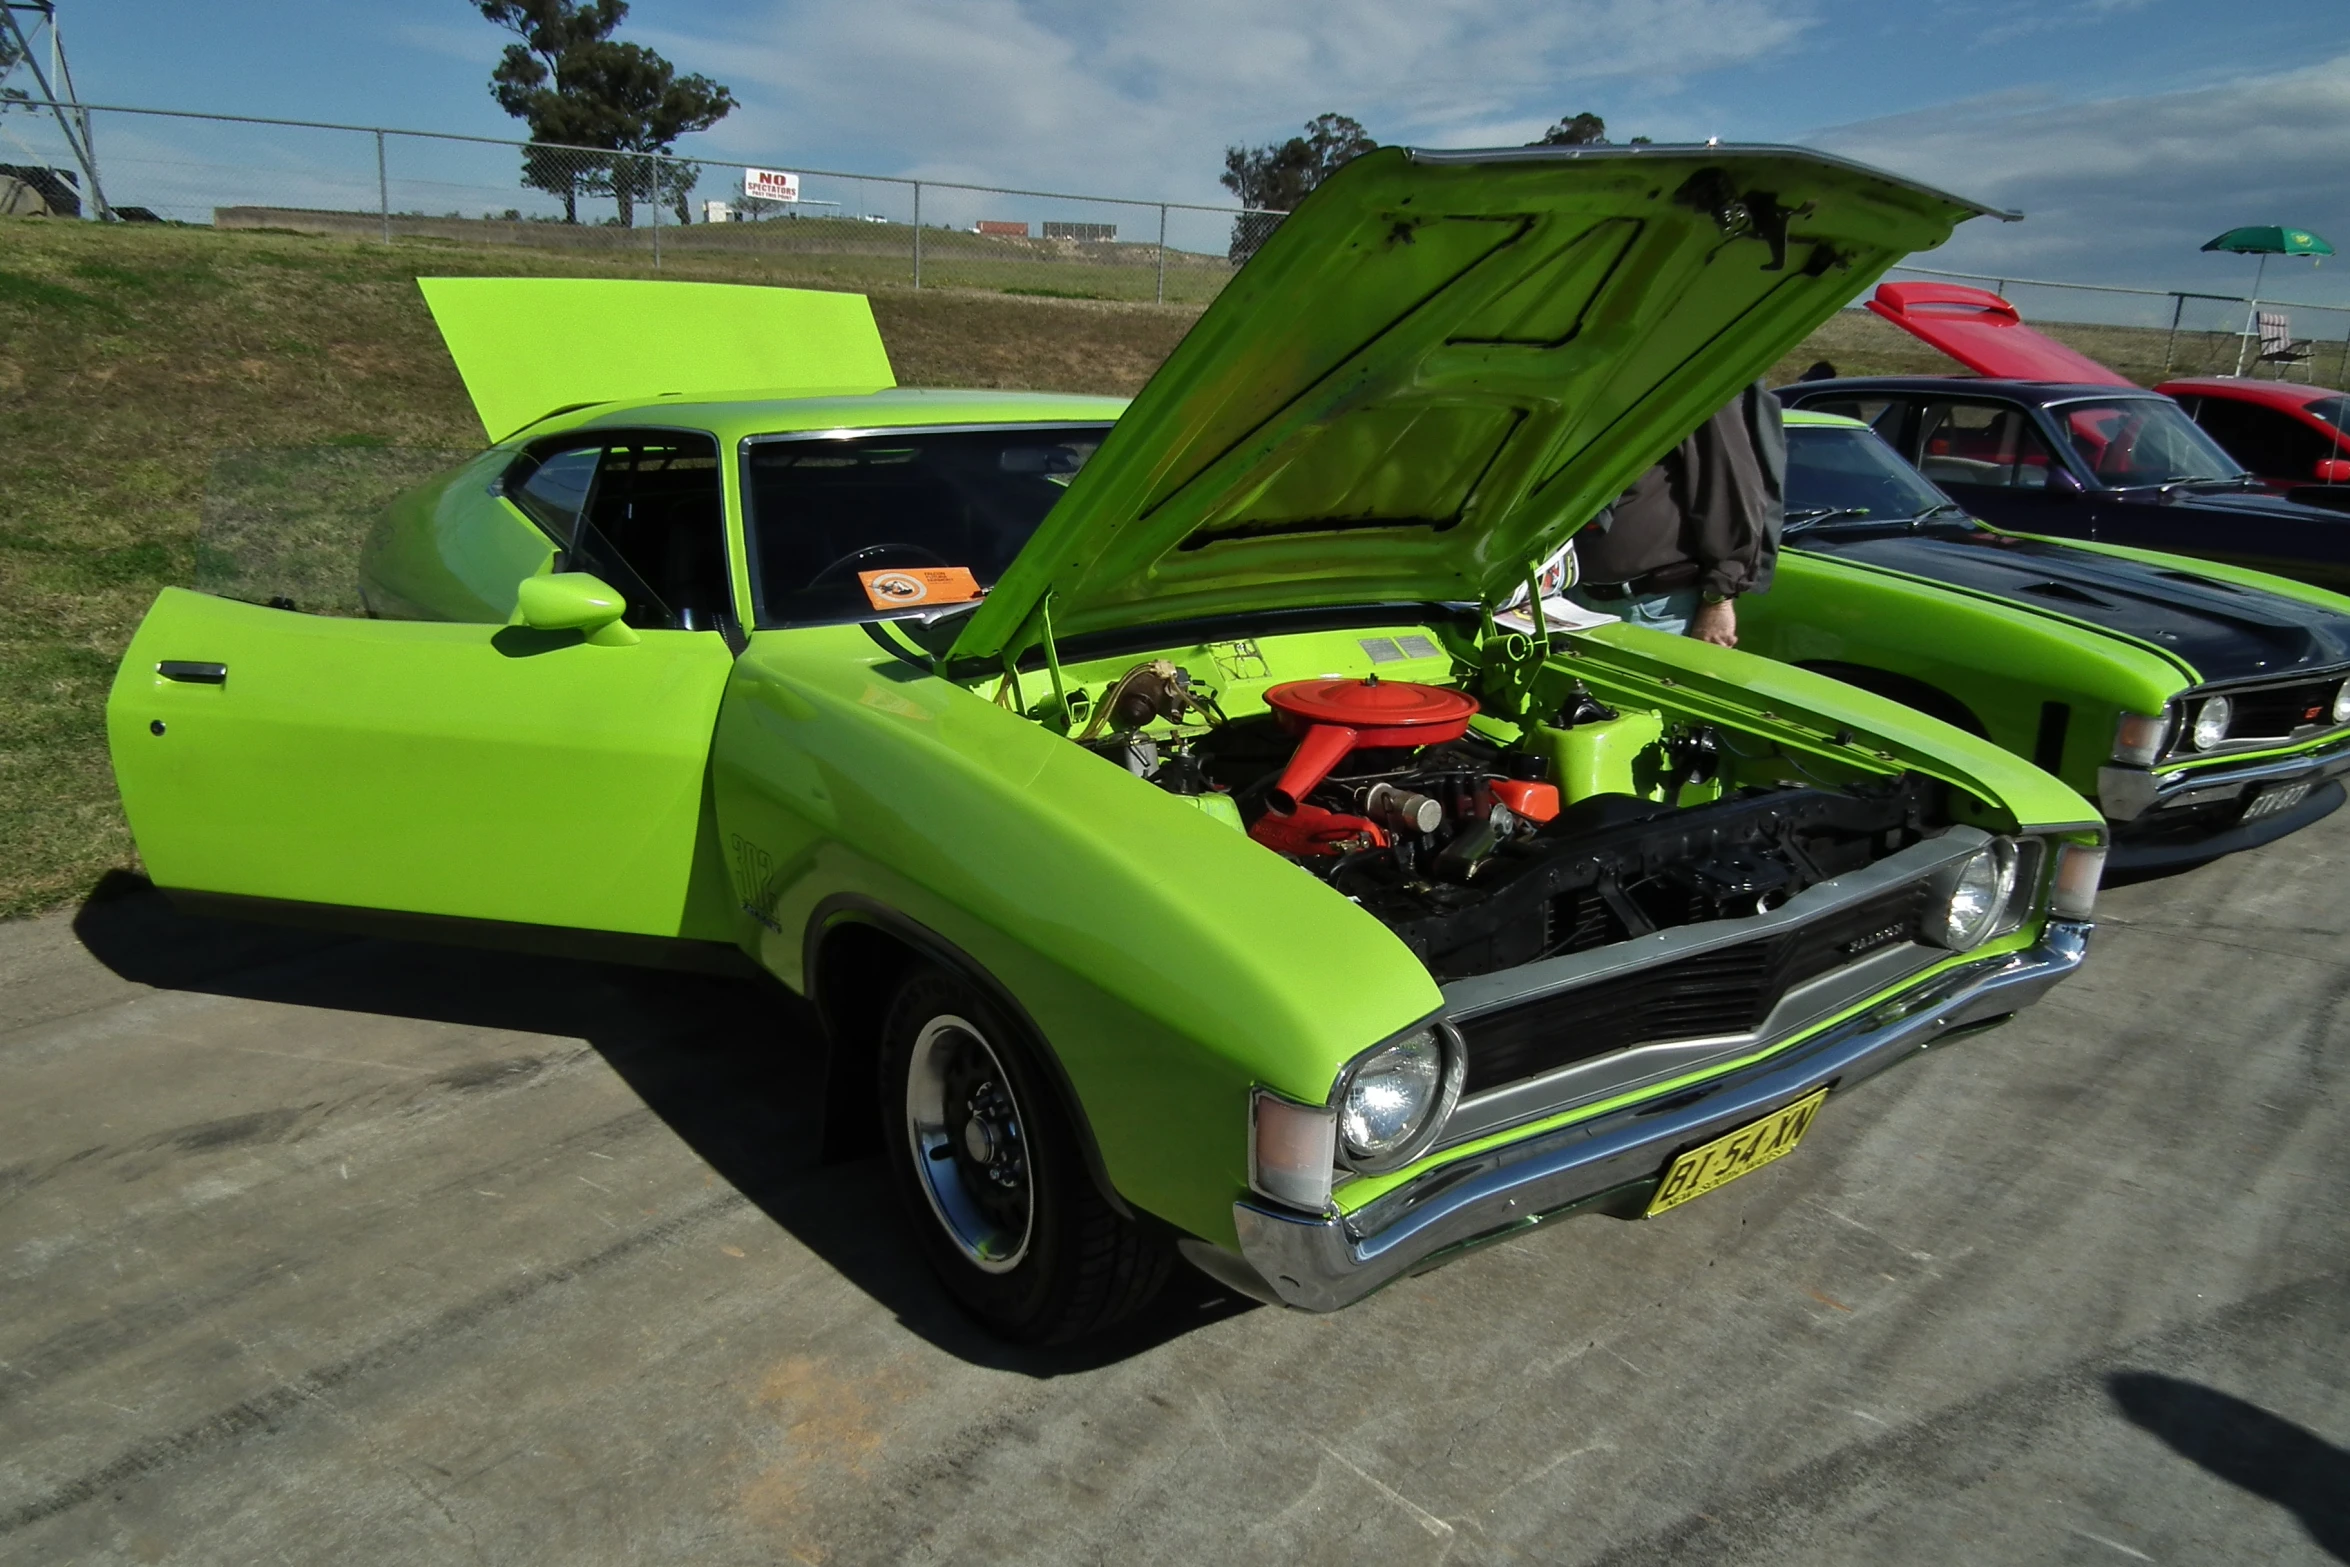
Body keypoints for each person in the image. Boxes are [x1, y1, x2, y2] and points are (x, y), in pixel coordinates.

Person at [1526, 382, 1783, 647]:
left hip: (1658, 612)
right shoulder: (1601, 387)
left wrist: (1719, 601)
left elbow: (1728, 491)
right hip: (1572, 601)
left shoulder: (1692, 380)